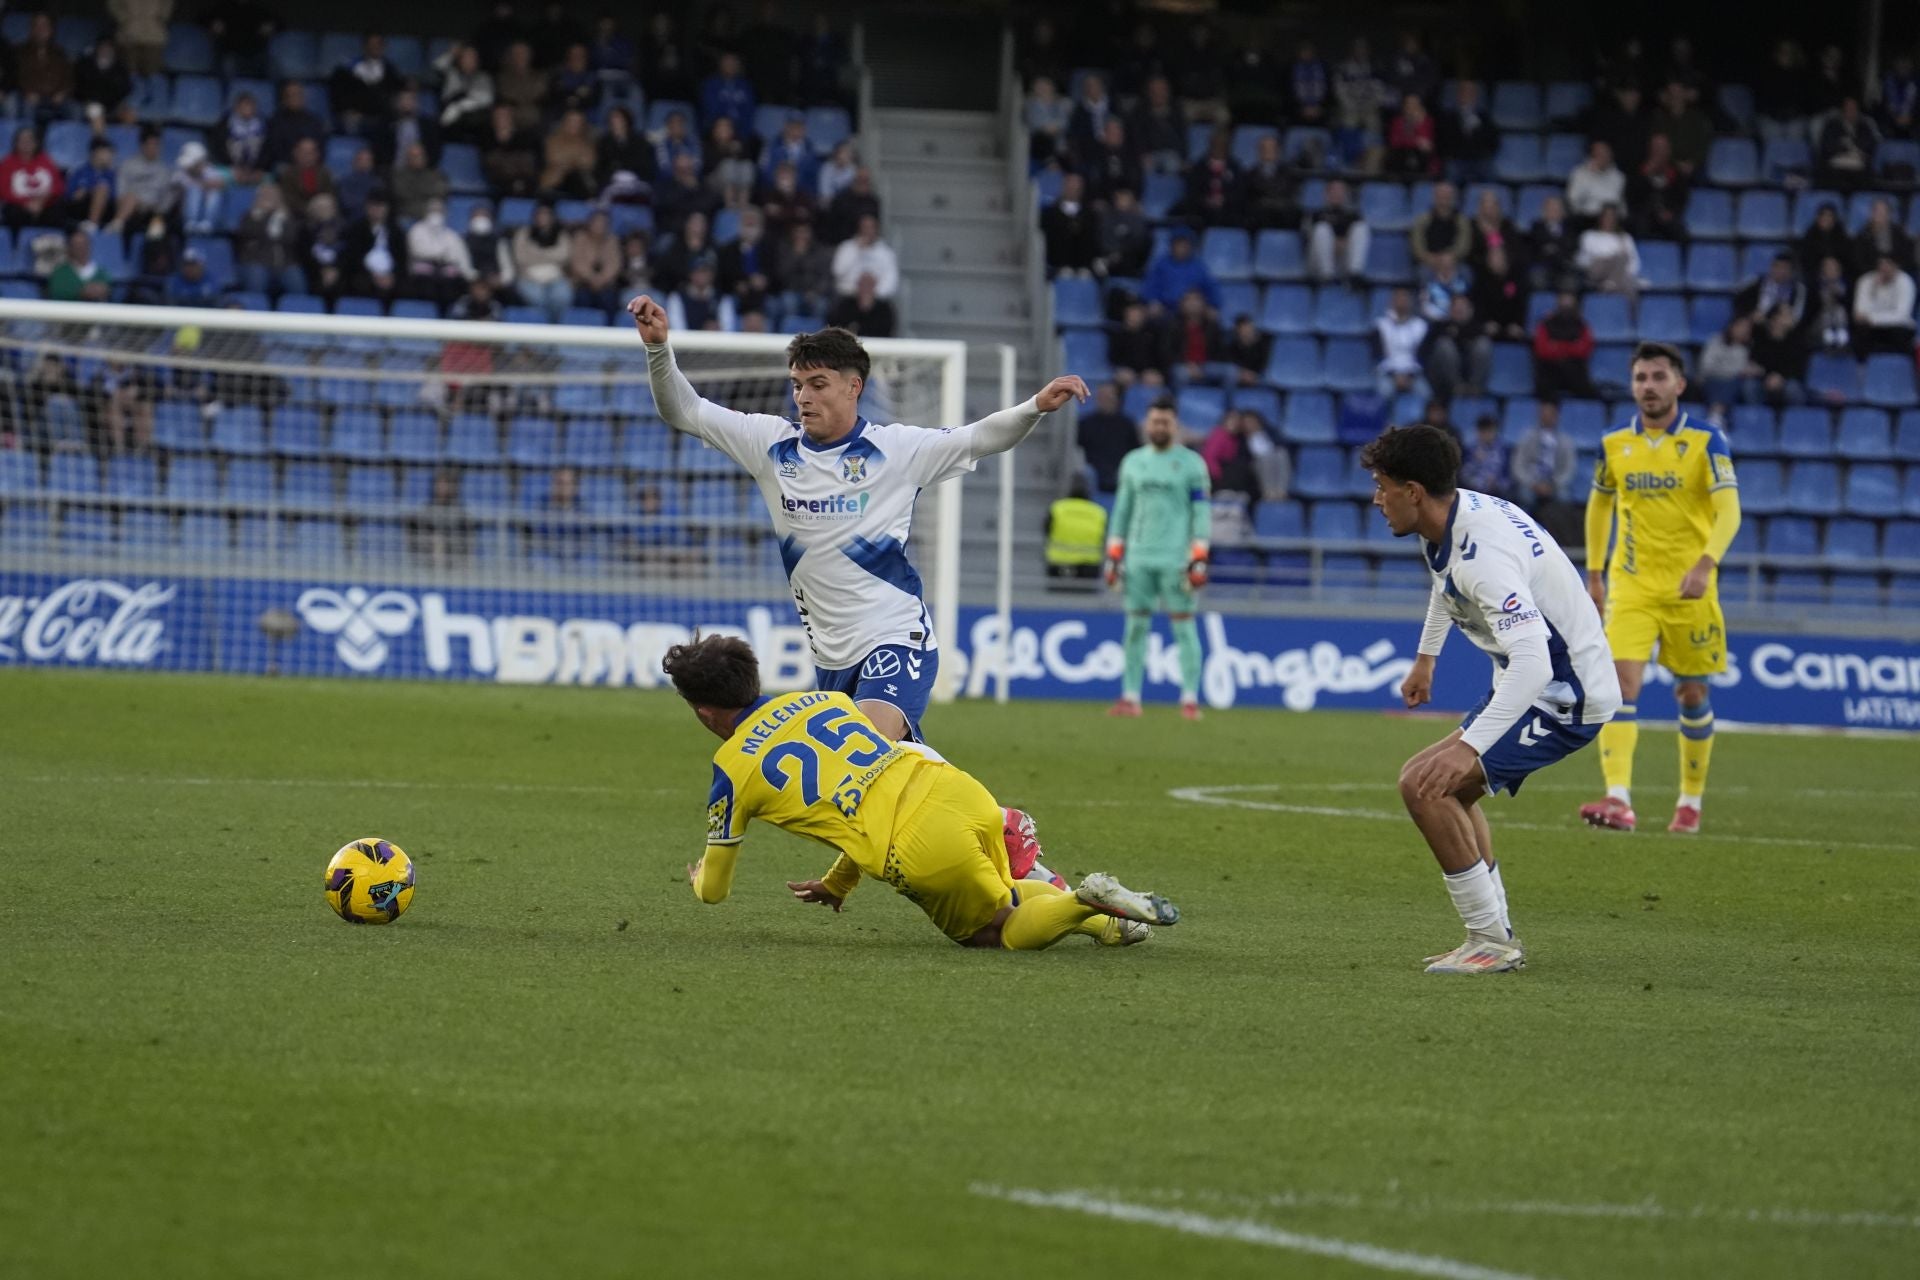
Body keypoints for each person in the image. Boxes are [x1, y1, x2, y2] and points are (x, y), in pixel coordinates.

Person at [628, 298, 1089, 742]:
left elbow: (979, 438)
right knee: (878, 775)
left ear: (854, 387)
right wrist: (657, 349)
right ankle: (998, 822)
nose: (803, 397)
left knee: (864, 746)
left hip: (895, 637)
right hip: (830, 656)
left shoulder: (898, 449)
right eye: (797, 384)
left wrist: (1034, 407)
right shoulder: (770, 445)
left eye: (818, 384)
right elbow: (685, 410)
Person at [668, 635, 1174, 948]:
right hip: (954, 787)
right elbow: (865, 793)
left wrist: (696, 880)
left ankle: (1085, 901)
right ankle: (1107, 922)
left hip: (917, 843)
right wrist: (838, 882)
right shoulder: (824, 700)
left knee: (991, 931)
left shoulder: (732, 768)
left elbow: (715, 891)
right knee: (1003, 890)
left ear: (705, 712)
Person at [1364, 424, 1620, 973]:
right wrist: (1427, 656)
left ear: (1413, 490)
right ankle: (1491, 934)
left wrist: (1470, 746)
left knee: (1426, 785)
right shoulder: (1451, 518)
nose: (1376, 499)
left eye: (1382, 485)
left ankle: (1493, 942)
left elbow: (1535, 661)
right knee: (1439, 786)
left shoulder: (1485, 556)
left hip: (1564, 694)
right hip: (1532, 683)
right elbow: (1444, 581)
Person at [1581, 343, 1741, 836]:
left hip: (1691, 589)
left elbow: (1729, 510)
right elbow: (1600, 506)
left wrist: (1705, 563)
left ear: (1679, 384)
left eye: (1657, 377)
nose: (1647, 386)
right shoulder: (1614, 445)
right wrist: (1594, 573)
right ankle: (1618, 799)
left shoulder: (1706, 441)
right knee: (1618, 688)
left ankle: (1689, 802)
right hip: (1632, 588)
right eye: (1640, 378)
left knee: (1691, 694)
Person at [1103, 398, 1212, 721]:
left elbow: (1201, 511)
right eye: (1154, 421)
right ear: (1146, 424)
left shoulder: (1192, 464)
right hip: (1138, 558)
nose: (1159, 427)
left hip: (1176, 558)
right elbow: (1122, 510)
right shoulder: (1134, 462)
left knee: (1184, 628)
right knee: (1135, 627)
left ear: (1175, 426)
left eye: (1165, 422)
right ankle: (1131, 697)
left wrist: (1199, 554)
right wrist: (1114, 553)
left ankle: (1190, 698)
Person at [1510, 399, 1578, 541]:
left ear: (1556, 416)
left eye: (1550, 414)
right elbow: (1518, 465)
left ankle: (1560, 540)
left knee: (1564, 497)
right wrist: (1531, 483)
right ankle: (1523, 539)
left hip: (1555, 484)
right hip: (1531, 483)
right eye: (1543, 414)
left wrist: (1553, 484)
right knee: (1524, 495)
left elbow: (1569, 469)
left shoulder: (1565, 441)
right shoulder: (1527, 437)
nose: (1546, 417)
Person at [512, 199, 573, 322]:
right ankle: (541, 334)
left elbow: (564, 256)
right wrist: (550, 255)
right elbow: (521, 258)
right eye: (540, 214)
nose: (543, 217)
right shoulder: (523, 233)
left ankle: (554, 331)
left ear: (552, 217)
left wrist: (535, 254)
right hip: (529, 277)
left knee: (562, 296)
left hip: (555, 277)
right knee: (538, 298)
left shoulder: (561, 235)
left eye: (546, 214)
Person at [1532, 290, 1596, 399]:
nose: (1566, 305)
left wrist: (1556, 346)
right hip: (1550, 371)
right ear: (1558, 303)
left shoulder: (1582, 325)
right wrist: (1571, 347)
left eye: (1569, 301)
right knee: (1543, 389)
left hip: (1575, 371)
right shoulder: (1545, 324)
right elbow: (1542, 350)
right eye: (1563, 301)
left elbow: (1584, 350)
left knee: (1589, 393)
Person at [1851, 254, 1917, 355]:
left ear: (1896, 266)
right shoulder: (1866, 281)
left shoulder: (1905, 281)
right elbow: (1860, 312)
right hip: (1872, 328)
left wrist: (1872, 318)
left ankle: (1901, 367)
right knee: (1860, 333)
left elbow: (1902, 315)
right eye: (1881, 265)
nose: (1884, 268)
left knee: (1900, 334)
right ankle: (1862, 368)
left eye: (1888, 265)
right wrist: (1874, 289)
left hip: (1897, 326)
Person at [1076, 382, 1136, 493]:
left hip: (1120, 472)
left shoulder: (1127, 424)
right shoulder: (1085, 424)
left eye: (1110, 396)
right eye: (1102, 396)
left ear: (1117, 399)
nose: (1106, 400)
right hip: (1094, 474)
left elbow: (1134, 451)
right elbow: (1078, 450)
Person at [1045, 474, 1107, 580]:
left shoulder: (1057, 508)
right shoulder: (1099, 512)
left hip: (1058, 564)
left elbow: (1046, 530)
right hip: (1089, 567)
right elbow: (1104, 536)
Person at [1374, 285, 1431, 400]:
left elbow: (1423, 356)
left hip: (1413, 374)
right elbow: (1377, 356)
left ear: (1411, 302)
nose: (1401, 301)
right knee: (1383, 392)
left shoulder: (1421, 326)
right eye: (1398, 298)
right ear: (1391, 302)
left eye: (1405, 298)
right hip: (1388, 373)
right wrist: (1394, 375)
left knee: (1426, 394)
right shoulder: (1380, 325)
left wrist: (1409, 376)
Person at [1308, 178, 1370, 284]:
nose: (1337, 194)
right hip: (1318, 260)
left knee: (1361, 227)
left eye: (1340, 191)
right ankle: (1327, 275)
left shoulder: (1353, 216)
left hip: (1343, 259)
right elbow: (1308, 238)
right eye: (1334, 190)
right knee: (1321, 229)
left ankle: (1354, 273)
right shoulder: (1316, 214)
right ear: (1326, 194)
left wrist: (1344, 243)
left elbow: (1356, 239)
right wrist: (1333, 243)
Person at [0, 127, 63, 230]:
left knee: (58, 209)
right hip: (18, 205)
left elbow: (58, 186)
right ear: (15, 143)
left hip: (44, 204)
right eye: (22, 141)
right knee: (13, 213)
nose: (26, 144)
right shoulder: (7, 163)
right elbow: (3, 190)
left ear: (36, 143)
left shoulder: (46, 160)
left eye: (29, 140)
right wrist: (26, 203)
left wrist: (41, 201)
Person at [1040, 173, 1099, 275]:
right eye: (1069, 186)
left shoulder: (1090, 214)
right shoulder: (1050, 213)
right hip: (1056, 264)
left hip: (1083, 268)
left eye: (1076, 187)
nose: (1072, 189)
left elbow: (1093, 240)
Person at [830, 214, 899, 300]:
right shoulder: (846, 248)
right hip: (848, 297)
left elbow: (891, 282)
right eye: (865, 227)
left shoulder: (886, 252)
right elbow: (837, 272)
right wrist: (856, 250)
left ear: (877, 229)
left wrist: (870, 293)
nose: (867, 231)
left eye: (871, 227)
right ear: (859, 229)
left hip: (876, 299)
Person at [1576, 203, 1640, 297]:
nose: (1609, 219)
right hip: (1595, 271)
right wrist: (1605, 259)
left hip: (1619, 275)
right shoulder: (1589, 236)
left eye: (1612, 216)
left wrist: (1623, 275)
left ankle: (1610, 284)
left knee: (1631, 289)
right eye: (1606, 216)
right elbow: (1582, 259)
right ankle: (1610, 283)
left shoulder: (1625, 238)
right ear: (1601, 217)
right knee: (1614, 258)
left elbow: (1634, 262)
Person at [1816, 97, 1879, 190]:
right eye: (1848, 108)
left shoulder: (1864, 126)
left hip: (1858, 167)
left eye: (1853, 108)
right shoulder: (1832, 126)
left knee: (1868, 177)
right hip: (1835, 166)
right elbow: (1827, 146)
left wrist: (1849, 144)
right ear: (1843, 109)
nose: (1851, 111)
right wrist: (1846, 147)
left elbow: (1869, 146)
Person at [1734, 252, 1806, 327]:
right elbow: (1739, 299)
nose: (1780, 271)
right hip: (1755, 323)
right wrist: (1751, 313)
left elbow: (1797, 315)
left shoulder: (1798, 288)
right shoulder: (1757, 281)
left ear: (1791, 271)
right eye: (1776, 266)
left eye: (1784, 268)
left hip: (1782, 327)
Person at [1410, 181, 1470, 272]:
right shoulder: (1422, 220)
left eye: (1447, 195)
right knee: (1424, 273)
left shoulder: (1461, 220)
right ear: (1435, 197)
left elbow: (1464, 244)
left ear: (1453, 197)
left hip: (1454, 262)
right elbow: (1417, 244)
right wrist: (1428, 257)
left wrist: (1450, 256)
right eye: (1441, 195)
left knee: (1465, 273)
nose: (1444, 198)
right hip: (1428, 262)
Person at [1566, 140, 1626, 224]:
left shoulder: (1618, 176)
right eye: (1599, 153)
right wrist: (1592, 175)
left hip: (1612, 219)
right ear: (1592, 155)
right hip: (1587, 218)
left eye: (1606, 153)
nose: (1603, 156)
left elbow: (1619, 201)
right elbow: (1573, 201)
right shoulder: (1579, 174)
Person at [48, 229, 112, 302]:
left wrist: (103, 291)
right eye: (76, 245)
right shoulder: (60, 272)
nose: (80, 248)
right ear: (69, 248)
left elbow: (109, 289)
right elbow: (56, 292)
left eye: (83, 244)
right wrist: (81, 292)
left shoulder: (102, 272)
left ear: (89, 246)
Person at [826, 272, 896, 337]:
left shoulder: (884, 309)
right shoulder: (845, 306)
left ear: (874, 286)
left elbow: (887, 333)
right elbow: (834, 327)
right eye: (862, 284)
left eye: (868, 284)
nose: (865, 288)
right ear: (858, 285)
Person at [1458, 414, 1510, 499]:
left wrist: (1497, 483)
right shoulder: (1470, 450)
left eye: (1489, 431)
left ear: (1495, 431)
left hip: (1498, 492)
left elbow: (1508, 476)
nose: (1486, 434)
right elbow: (1464, 475)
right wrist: (1476, 462)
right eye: (1483, 431)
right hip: (1474, 492)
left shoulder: (1504, 450)